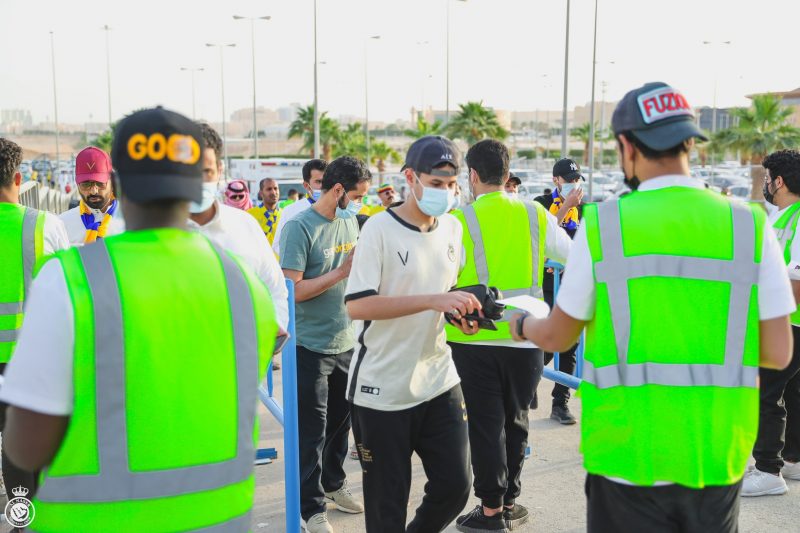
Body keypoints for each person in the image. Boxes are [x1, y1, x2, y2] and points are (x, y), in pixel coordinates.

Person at [512, 82, 795, 533]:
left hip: (628, 455)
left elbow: (559, 336)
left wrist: (519, 322)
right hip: (714, 454)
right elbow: (778, 351)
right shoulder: (749, 225)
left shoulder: (605, 225)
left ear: (626, 145)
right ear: (689, 142)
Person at [0, 107, 278, 531]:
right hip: (217, 522)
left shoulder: (71, 280)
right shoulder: (244, 286)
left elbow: (25, 448)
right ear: (198, 182)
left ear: (118, 182)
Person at [345, 135, 477, 533]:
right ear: (410, 178)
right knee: (387, 507)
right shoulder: (379, 230)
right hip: (381, 389)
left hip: (438, 378)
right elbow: (358, 305)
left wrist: (460, 313)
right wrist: (432, 300)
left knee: (457, 485)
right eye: (437, 183)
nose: (447, 193)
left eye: (454, 185)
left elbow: (445, 296)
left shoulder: (453, 229)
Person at [448, 139, 571, 533]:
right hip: (527, 335)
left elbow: (443, 280)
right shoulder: (535, 213)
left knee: (485, 425)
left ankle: (490, 512)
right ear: (507, 170)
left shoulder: (459, 220)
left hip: (475, 338)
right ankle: (510, 501)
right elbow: (572, 255)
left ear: (471, 175)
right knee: (516, 421)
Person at [279, 156, 370, 532]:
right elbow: (293, 291)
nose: (361, 202)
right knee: (311, 432)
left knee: (339, 425)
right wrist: (341, 272)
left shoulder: (350, 220)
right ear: (337, 190)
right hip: (309, 347)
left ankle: (333, 484)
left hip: (346, 338)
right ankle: (311, 508)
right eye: (358, 195)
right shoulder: (299, 228)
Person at [0, 137, 69, 503]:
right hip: (33, 359)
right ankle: (27, 521)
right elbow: (71, 291)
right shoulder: (47, 225)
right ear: (17, 177)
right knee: (23, 449)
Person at [188, 124, 289, 331]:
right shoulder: (153, 233)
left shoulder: (245, 226)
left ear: (219, 171)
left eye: (206, 171)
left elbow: (276, 291)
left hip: (242, 361)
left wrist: (268, 338)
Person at [742, 149, 800, 496]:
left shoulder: (798, 220)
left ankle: (767, 470)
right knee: (791, 391)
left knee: (764, 390)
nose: (764, 184)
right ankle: (791, 459)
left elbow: (795, 280)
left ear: (778, 181)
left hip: (789, 323)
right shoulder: (781, 219)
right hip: (787, 322)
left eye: (766, 178)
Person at [532, 158, 586, 424]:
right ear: (556, 180)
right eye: (568, 179)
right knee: (543, 344)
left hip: (571, 285)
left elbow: (585, 246)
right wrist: (565, 206)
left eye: (577, 179)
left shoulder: (584, 210)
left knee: (569, 344)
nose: (573, 184)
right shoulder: (539, 204)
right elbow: (542, 235)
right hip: (544, 286)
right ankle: (527, 388)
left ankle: (560, 402)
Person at [59, 146, 125, 246]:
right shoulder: (62, 224)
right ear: (77, 184)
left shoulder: (128, 222)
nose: (94, 191)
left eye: (100, 183)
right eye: (86, 184)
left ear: (112, 182)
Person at [273, 159, 327, 255]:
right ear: (306, 185)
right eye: (318, 182)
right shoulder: (291, 211)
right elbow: (277, 245)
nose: (324, 186)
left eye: (327, 181)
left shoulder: (340, 210)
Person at [247, 178, 282, 246]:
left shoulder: (284, 214)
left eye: (275, 188)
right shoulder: (250, 214)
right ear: (261, 193)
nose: (273, 192)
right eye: (269, 189)